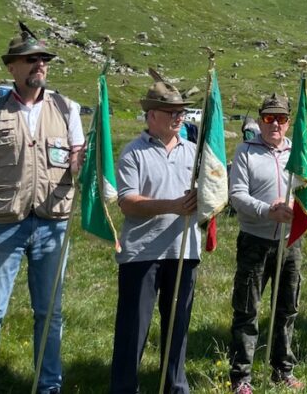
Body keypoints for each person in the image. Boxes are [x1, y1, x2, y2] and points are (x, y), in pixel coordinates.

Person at [0, 26, 84, 394]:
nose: (40, 66)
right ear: (12, 67)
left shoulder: (67, 108)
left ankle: (49, 386)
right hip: (3, 225)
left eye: (44, 60)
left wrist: (85, 162)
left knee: (50, 314)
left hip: (53, 225)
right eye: (32, 59)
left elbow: (78, 162)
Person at [110, 77, 202, 394]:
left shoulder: (194, 153)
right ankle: (124, 387)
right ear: (152, 116)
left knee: (178, 326)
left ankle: (175, 386)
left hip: (183, 251)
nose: (179, 117)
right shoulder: (133, 153)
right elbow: (127, 203)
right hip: (142, 254)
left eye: (181, 112)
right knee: (133, 330)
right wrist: (173, 206)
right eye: (171, 111)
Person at [227, 93, 302, 393]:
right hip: (255, 241)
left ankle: (283, 369)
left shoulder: (296, 152)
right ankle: (241, 376)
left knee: (287, 308)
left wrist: (301, 210)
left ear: (288, 123)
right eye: (269, 118)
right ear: (260, 120)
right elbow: (237, 195)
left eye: (281, 119)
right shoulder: (245, 151)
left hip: (290, 243)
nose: (275, 125)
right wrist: (267, 210)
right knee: (247, 309)